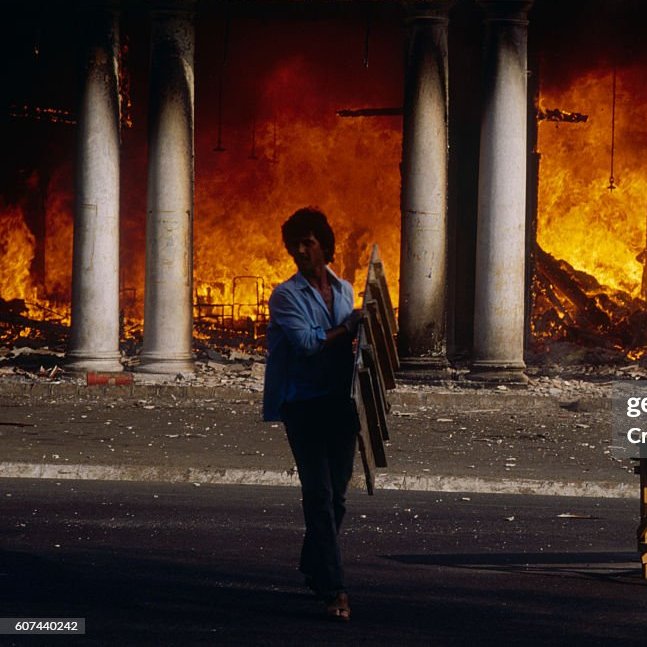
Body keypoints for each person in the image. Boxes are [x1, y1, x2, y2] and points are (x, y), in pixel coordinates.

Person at [263, 207, 362, 622]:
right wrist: (349, 328)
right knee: (318, 495)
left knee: (337, 495)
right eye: (294, 245)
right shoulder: (285, 296)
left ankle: (312, 562)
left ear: (324, 244)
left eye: (307, 242)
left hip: (340, 402)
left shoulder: (344, 290)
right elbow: (306, 343)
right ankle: (334, 587)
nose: (300, 251)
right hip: (303, 404)